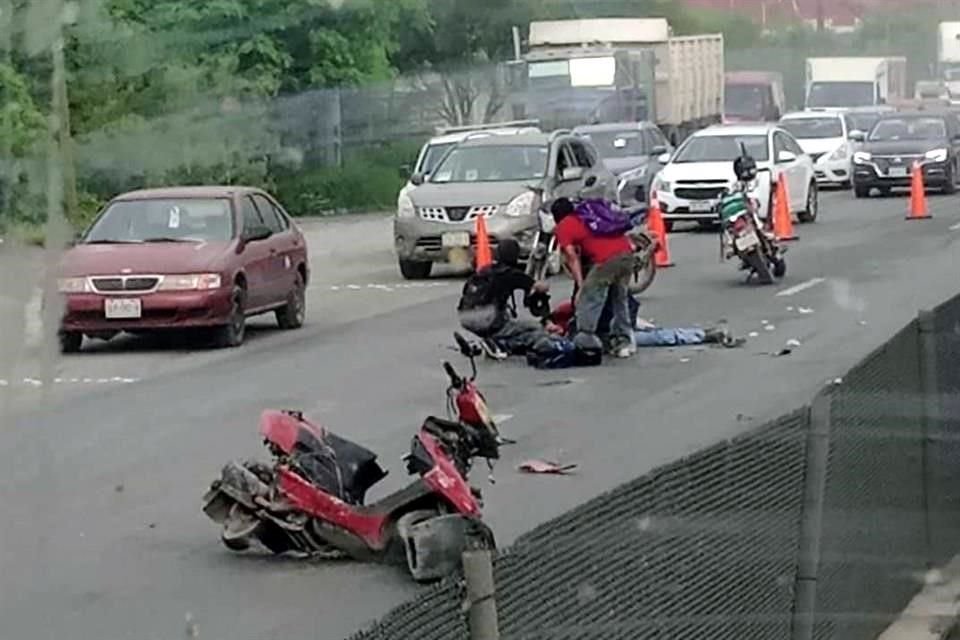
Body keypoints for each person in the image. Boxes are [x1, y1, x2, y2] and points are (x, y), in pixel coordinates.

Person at [551, 197, 636, 358]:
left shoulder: (564, 226)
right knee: (620, 299)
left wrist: (581, 286)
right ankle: (624, 342)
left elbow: (571, 257)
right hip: (626, 254)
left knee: (589, 298)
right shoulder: (587, 216)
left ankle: (585, 340)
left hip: (606, 260)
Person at [457, 238, 562, 359]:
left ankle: (485, 341)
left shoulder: (485, 270)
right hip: (487, 319)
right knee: (534, 328)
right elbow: (541, 287)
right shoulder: (511, 274)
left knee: (506, 315)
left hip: (465, 316)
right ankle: (499, 344)